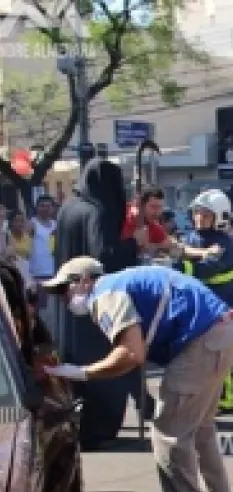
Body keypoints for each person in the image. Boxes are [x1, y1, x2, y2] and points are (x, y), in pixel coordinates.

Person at [40, 257, 233, 492]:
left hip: (203, 342)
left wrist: (78, 373)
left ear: (84, 280)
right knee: (199, 428)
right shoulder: (124, 281)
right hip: (224, 332)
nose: (63, 299)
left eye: (64, 290)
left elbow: (131, 354)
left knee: (167, 433)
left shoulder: (106, 293)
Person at [54, 159, 150, 449]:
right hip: (96, 303)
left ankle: (78, 425)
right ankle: (100, 427)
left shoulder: (67, 209)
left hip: (69, 300)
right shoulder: (95, 212)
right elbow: (104, 257)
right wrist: (134, 243)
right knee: (103, 364)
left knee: (75, 362)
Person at [172, 189, 233, 413]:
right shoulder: (192, 238)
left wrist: (179, 266)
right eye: (197, 214)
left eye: (206, 215)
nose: (199, 218)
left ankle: (226, 399)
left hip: (222, 305)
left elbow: (206, 269)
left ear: (219, 217)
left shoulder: (224, 244)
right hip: (198, 307)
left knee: (222, 355)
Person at [122, 186, 171, 257]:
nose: (157, 212)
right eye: (153, 207)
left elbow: (168, 244)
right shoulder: (127, 218)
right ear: (141, 205)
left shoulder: (151, 224)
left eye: (160, 207)